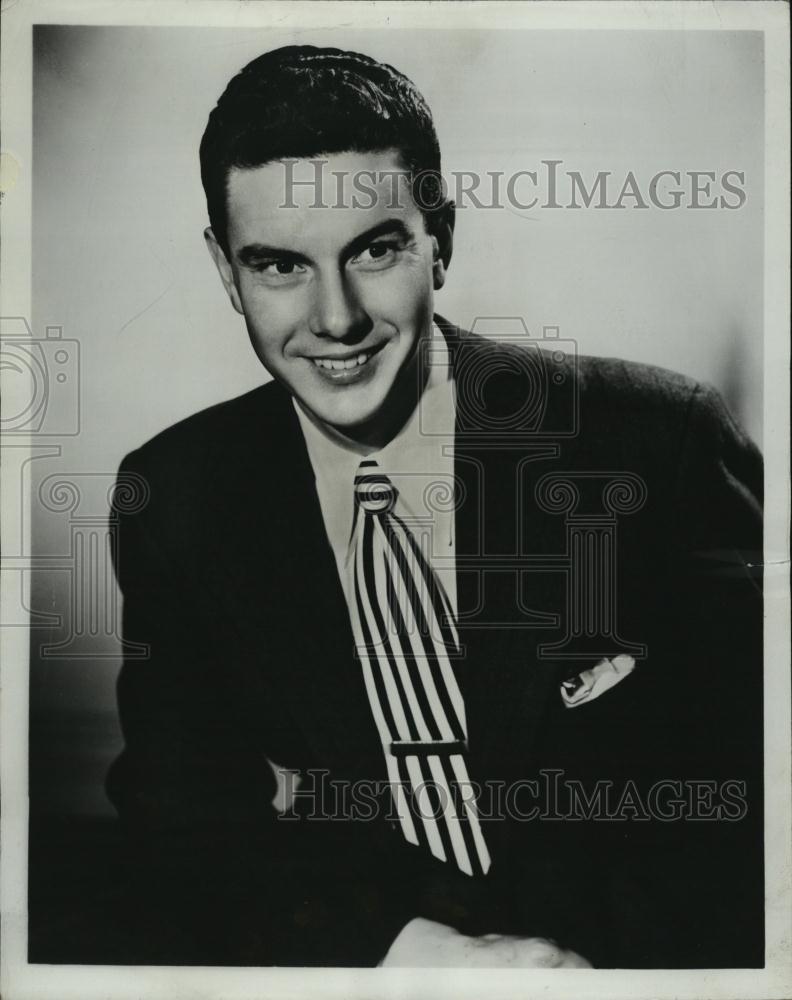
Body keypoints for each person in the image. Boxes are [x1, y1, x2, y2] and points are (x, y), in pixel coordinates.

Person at [106, 45, 763, 969]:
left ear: (440, 238)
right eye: (278, 266)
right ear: (225, 272)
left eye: (375, 250)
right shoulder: (175, 496)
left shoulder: (659, 442)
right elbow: (180, 817)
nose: (334, 318)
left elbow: (760, 794)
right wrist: (420, 957)